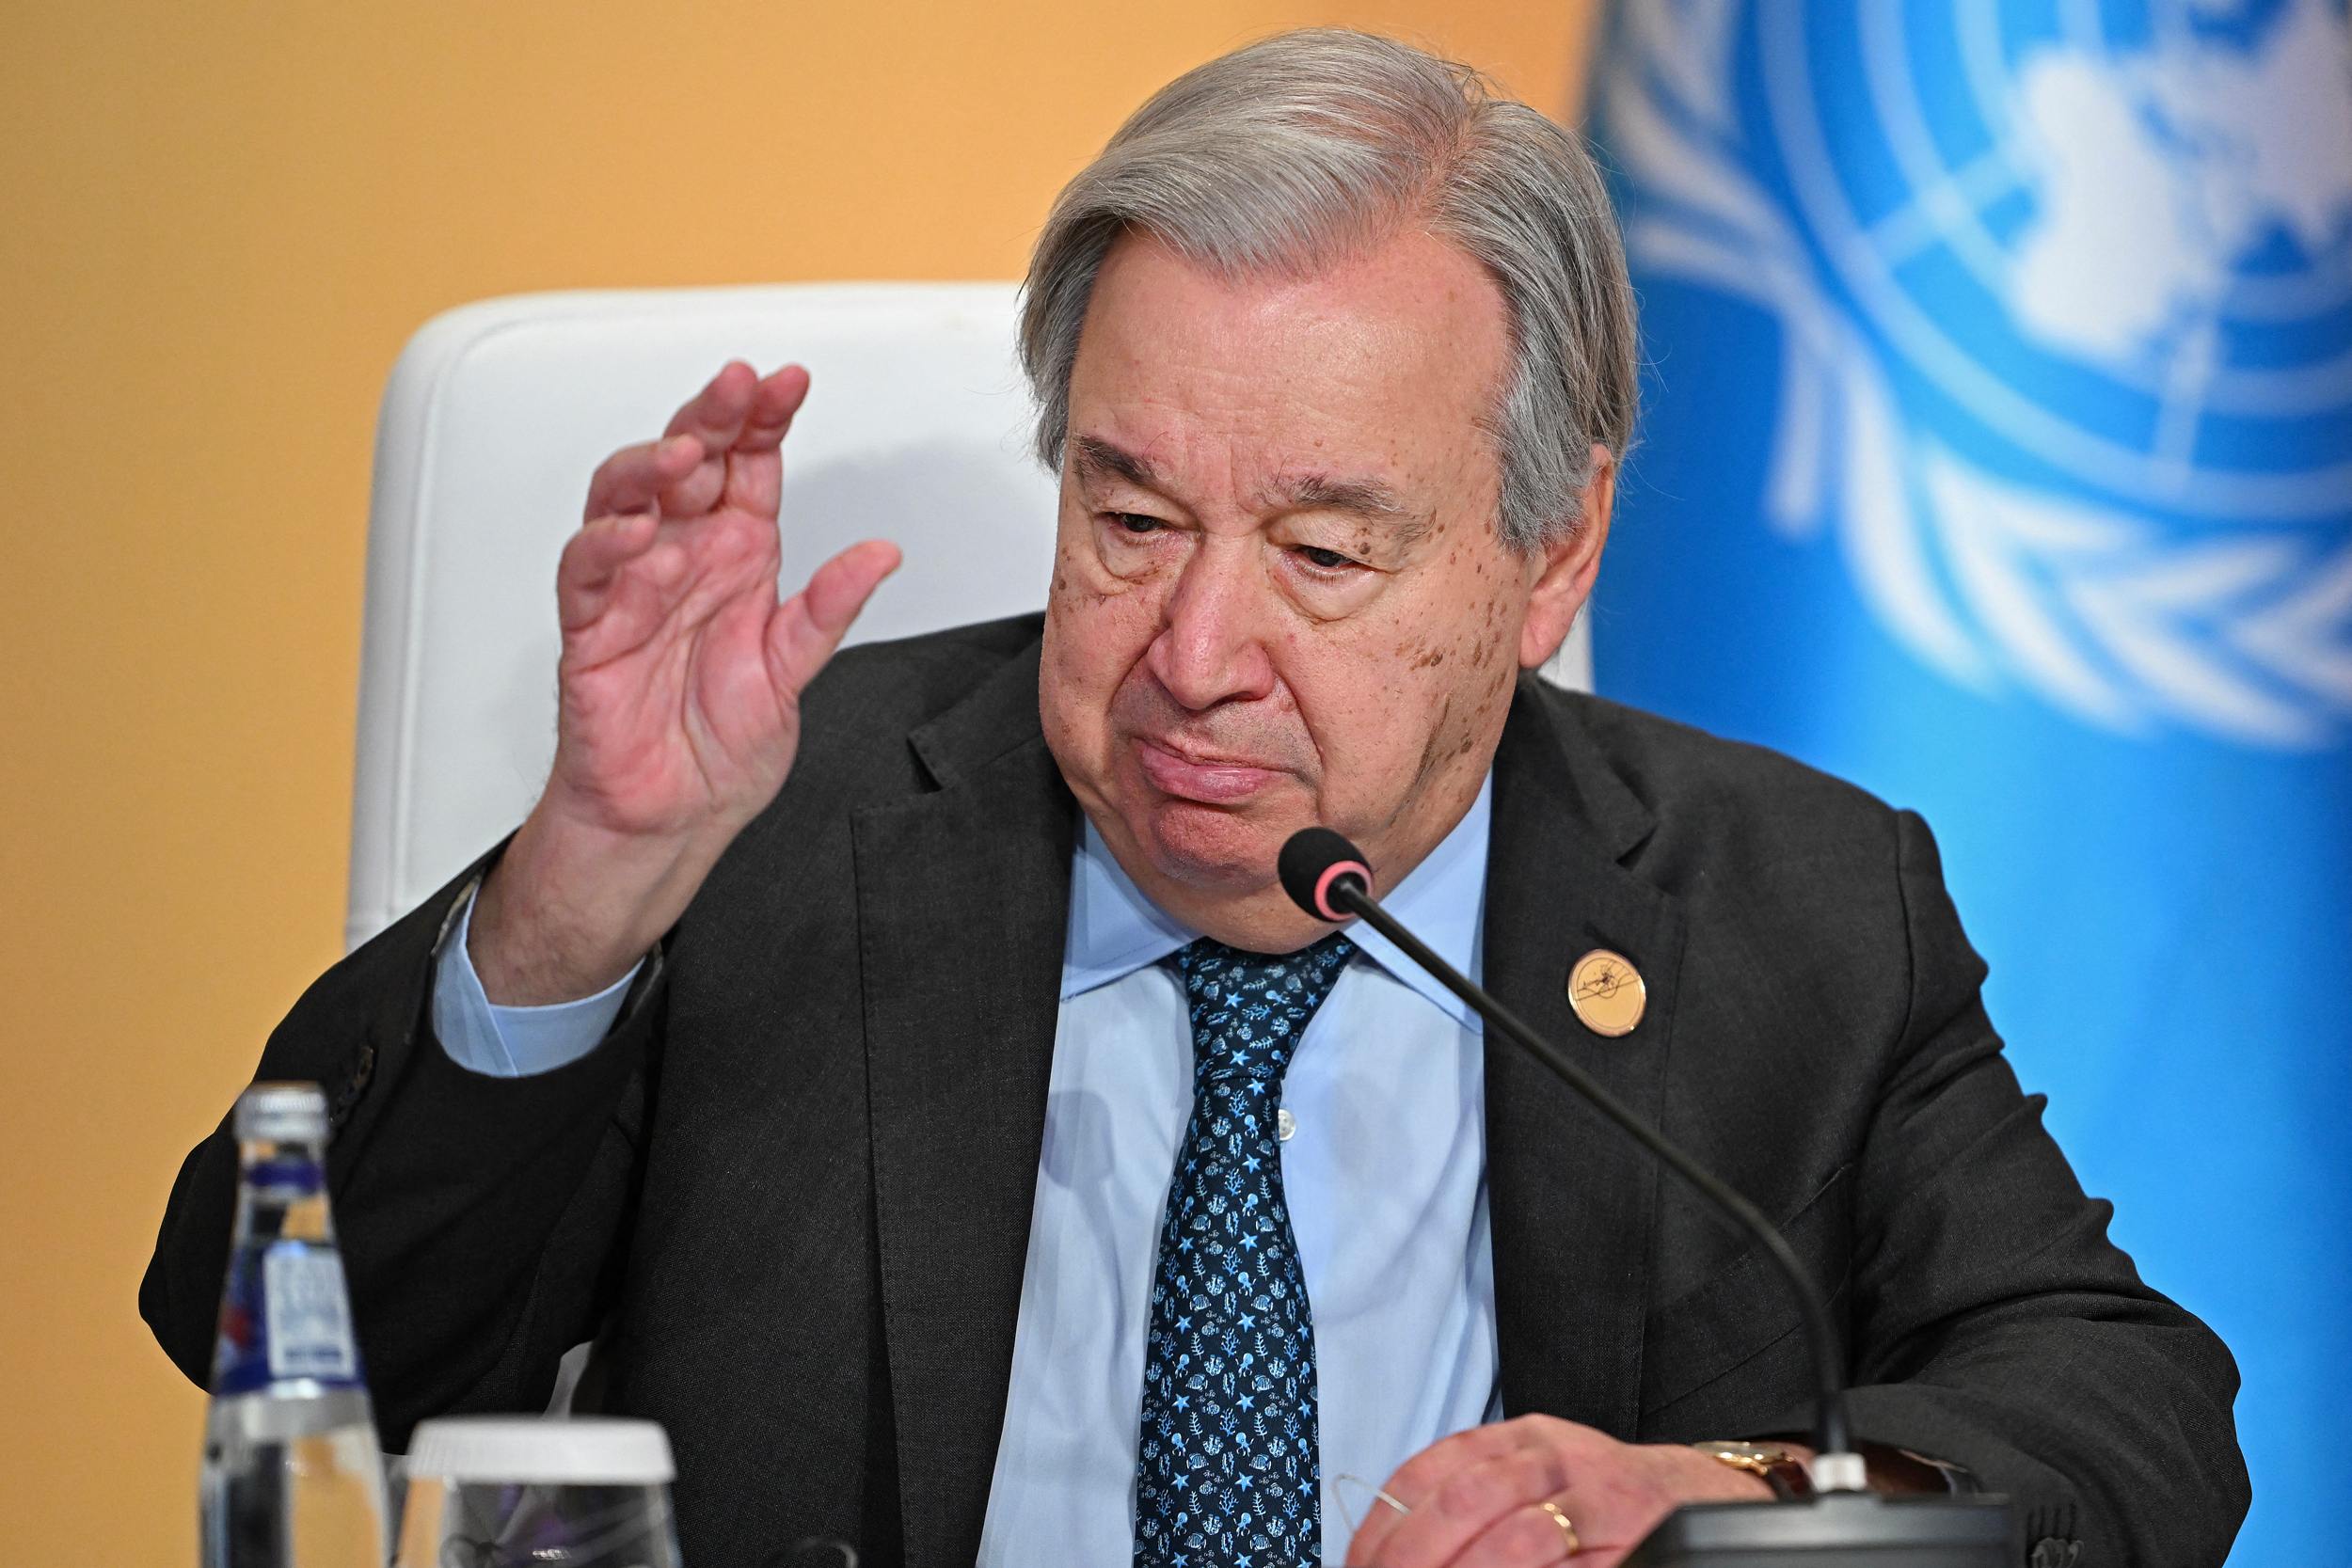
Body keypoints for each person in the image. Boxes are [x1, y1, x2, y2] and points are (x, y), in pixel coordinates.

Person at [143, 29, 2247, 1568]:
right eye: (1130, 514)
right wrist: (579, 894)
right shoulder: (775, 816)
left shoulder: (1784, 900)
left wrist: (1730, 1497)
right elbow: (281, 1357)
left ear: (1550, 559)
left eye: (1324, 554)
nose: (1193, 653)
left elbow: (2134, 1423)